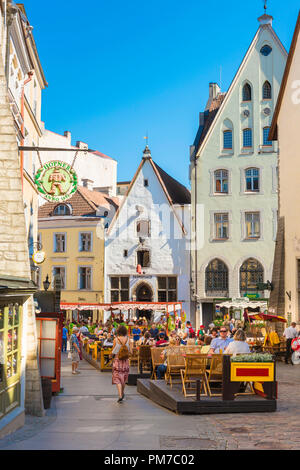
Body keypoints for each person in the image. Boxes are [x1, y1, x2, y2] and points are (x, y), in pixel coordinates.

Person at [111, 325, 130, 403]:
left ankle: (120, 395)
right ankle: (122, 392)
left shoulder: (116, 339)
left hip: (117, 360)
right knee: (124, 378)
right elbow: (130, 351)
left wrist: (110, 355)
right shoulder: (128, 339)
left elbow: (113, 351)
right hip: (125, 361)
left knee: (117, 378)